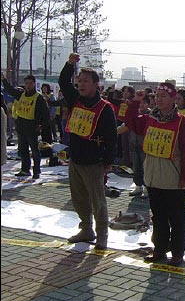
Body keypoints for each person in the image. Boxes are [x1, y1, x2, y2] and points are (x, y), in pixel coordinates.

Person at [125, 84, 185, 266]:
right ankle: (160, 250)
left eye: (164, 96)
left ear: (173, 99)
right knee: (158, 217)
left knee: (177, 218)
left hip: (173, 177)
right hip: (153, 176)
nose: (159, 99)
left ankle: (178, 254)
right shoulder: (150, 119)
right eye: (157, 95)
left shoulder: (181, 122)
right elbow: (131, 122)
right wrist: (135, 103)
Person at [59, 53, 117, 250]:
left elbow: (112, 137)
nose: (81, 84)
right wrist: (70, 64)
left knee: (98, 200)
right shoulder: (76, 100)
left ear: (96, 84)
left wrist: (108, 160)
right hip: (75, 158)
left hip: (94, 161)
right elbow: (63, 82)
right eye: (79, 81)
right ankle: (86, 228)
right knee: (78, 197)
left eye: (85, 81)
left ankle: (102, 234)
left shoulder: (105, 108)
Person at [1, 72, 50, 179]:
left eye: (30, 83)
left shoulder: (39, 98)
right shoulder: (21, 95)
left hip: (32, 127)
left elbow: (46, 114)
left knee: (35, 150)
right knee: (23, 150)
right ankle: (25, 169)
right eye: (26, 83)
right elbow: (10, 90)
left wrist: (42, 126)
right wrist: (4, 80)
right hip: (21, 126)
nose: (28, 85)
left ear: (34, 84)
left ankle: (36, 171)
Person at [118, 94, 151, 198]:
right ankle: (138, 186)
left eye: (144, 103)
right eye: (140, 102)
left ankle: (147, 188)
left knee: (145, 168)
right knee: (136, 167)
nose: (141, 105)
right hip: (134, 144)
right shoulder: (134, 114)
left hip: (145, 146)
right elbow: (126, 124)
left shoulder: (151, 115)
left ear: (149, 104)